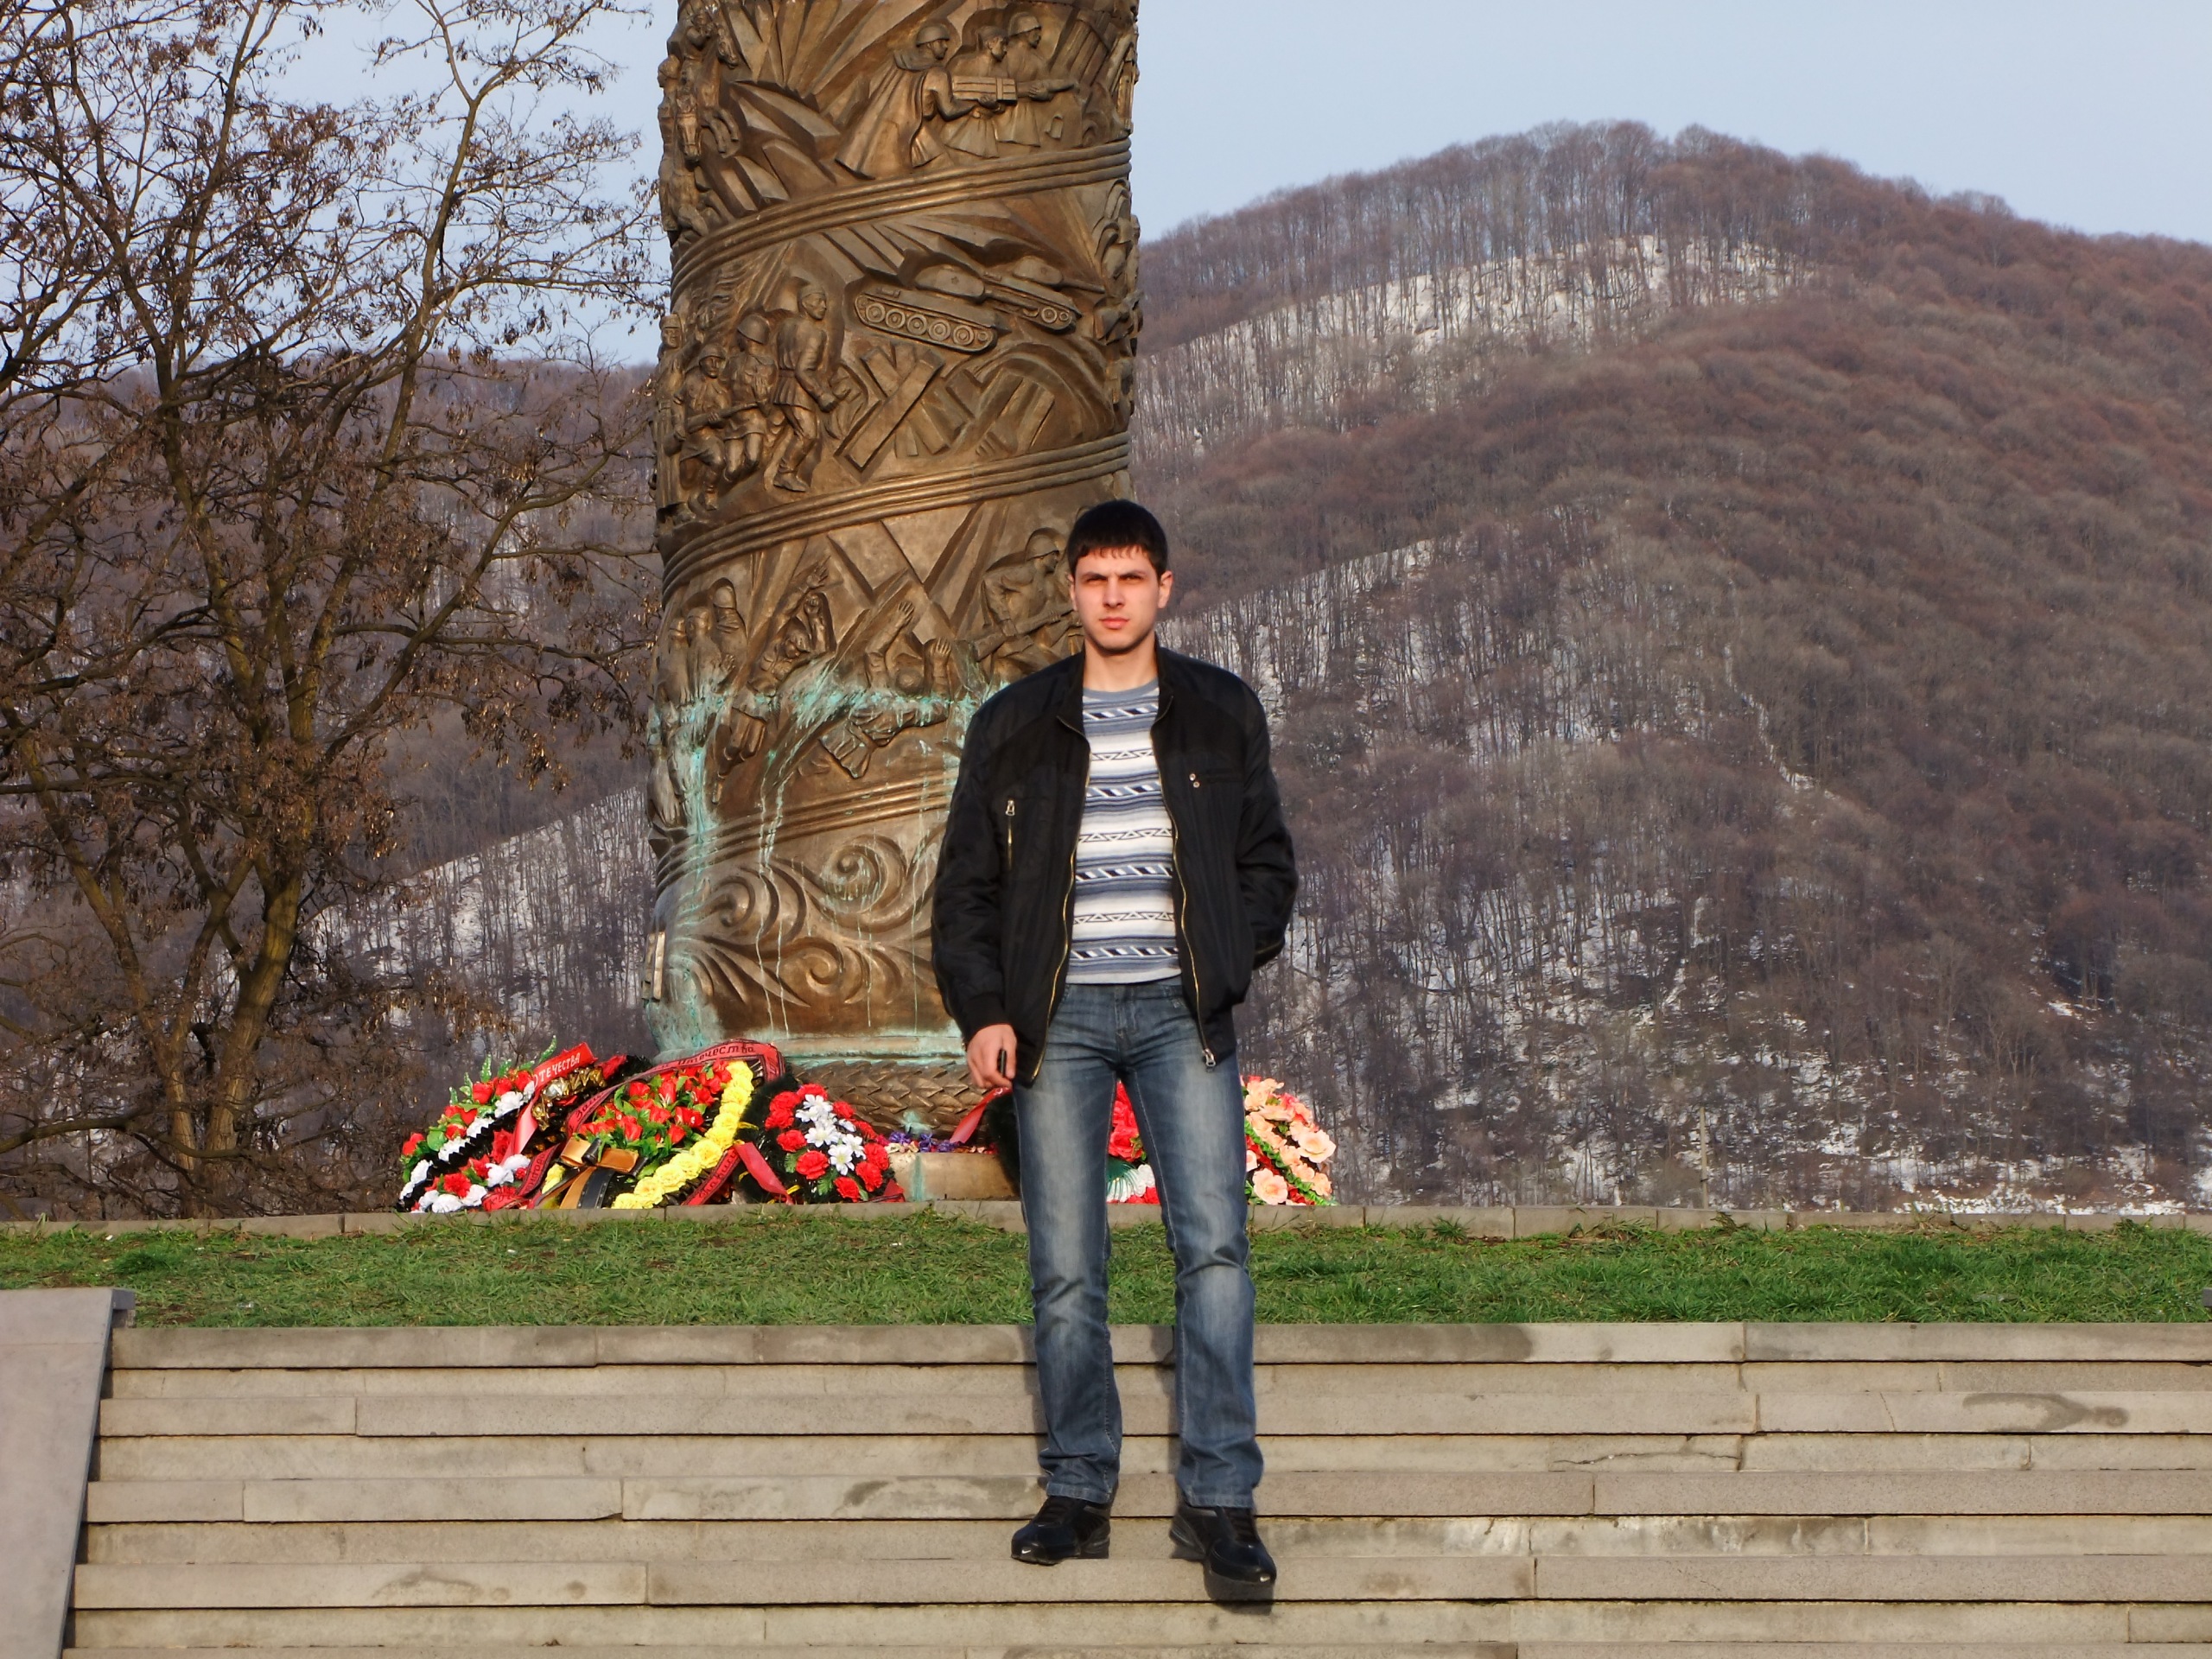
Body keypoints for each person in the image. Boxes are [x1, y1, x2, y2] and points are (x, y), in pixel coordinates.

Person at [931, 500, 1298, 1599]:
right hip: (1060, 1017)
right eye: (1095, 579)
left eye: (1131, 579)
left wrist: (1221, 962)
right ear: (1072, 590)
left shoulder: (1220, 712)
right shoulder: (1014, 723)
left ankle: (1220, 1502)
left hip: (1183, 1012)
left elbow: (1267, 865)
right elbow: (965, 888)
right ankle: (1079, 1490)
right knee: (1065, 1264)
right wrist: (984, 1010)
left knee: (1214, 1251)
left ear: (1163, 588)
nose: (1112, 597)